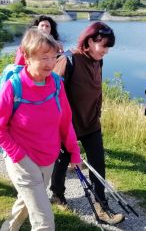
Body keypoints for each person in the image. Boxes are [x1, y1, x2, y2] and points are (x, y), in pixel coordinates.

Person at [0, 28, 81, 231]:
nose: (50, 63)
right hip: (22, 160)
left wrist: (74, 152)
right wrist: (18, 155)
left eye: (53, 57)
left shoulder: (56, 84)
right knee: (44, 222)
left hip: (48, 157)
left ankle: (8, 229)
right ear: (28, 57)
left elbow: (65, 121)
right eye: (44, 57)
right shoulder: (14, 86)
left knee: (28, 199)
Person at [50, 21, 125, 225]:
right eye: (104, 46)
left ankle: (101, 207)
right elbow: (53, 95)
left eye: (109, 47)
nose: (107, 51)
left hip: (91, 123)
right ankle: (57, 194)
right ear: (90, 41)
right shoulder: (69, 60)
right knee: (62, 161)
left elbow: (97, 90)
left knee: (98, 164)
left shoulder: (98, 61)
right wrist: (61, 127)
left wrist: (97, 113)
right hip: (68, 126)